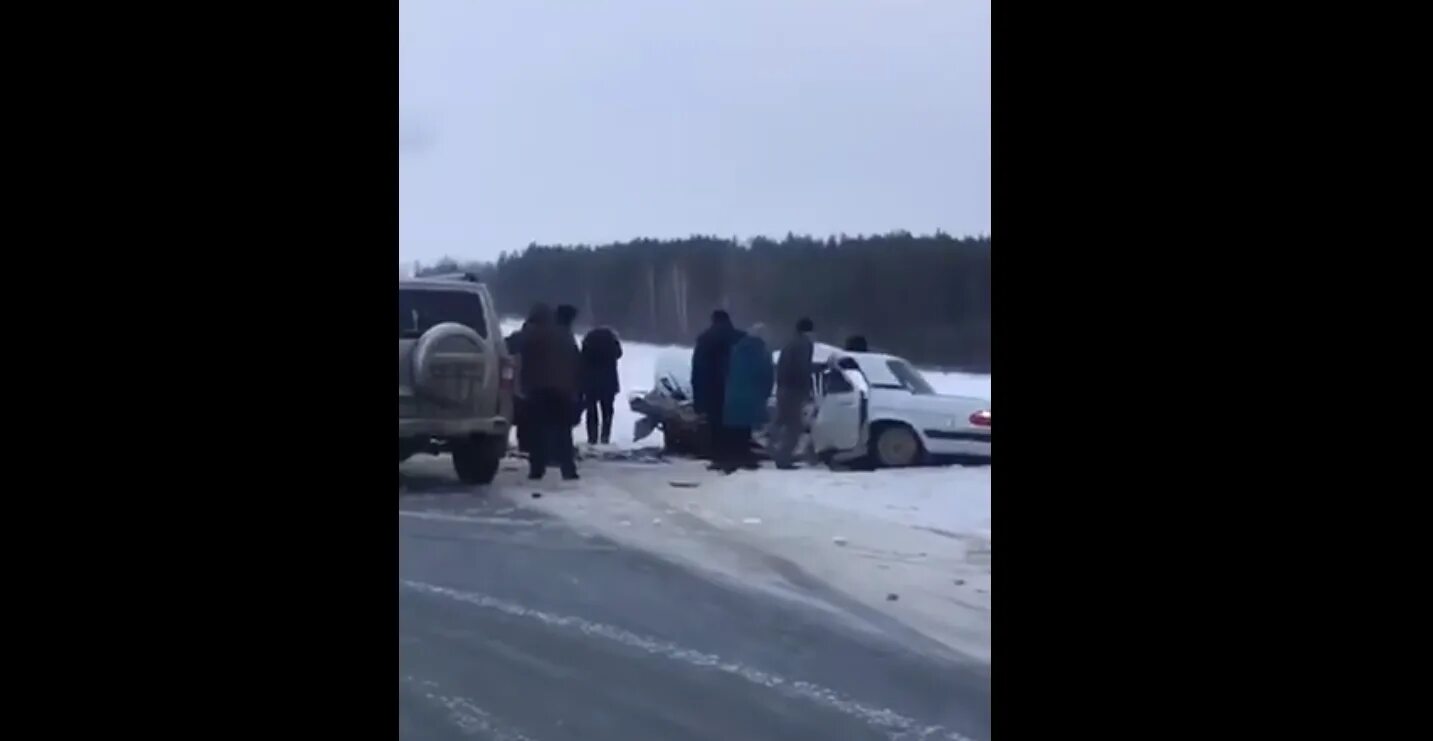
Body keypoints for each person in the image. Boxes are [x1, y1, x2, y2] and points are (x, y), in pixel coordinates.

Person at [519, 303, 581, 481]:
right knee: (563, 431)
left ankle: (537, 469)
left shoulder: (534, 335)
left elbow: (521, 353)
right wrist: (575, 387)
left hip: (539, 388)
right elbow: (576, 360)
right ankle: (568, 469)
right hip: (563, 389)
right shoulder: (565, 334)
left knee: (537, 431)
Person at [690, 309, 744, 469]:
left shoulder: (705, 339)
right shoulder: (741, 338)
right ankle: (738, 455)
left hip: (712, 387)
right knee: (736, 423)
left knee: (716, 424)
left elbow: (698, 369)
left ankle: (720, 457)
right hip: (736, 387)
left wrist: (698, 399)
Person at [721, 324, 775, 472]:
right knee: (745, 428)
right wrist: (765, 394)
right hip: (752, 396)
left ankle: (732, 457)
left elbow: (728, 370)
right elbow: (767, 375)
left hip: (733, 394)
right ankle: (743, 456)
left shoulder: (736, 349)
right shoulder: (763, 353)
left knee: (735, 429)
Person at [773, 317, 816, 469]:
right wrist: (808, 388)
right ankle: (783, 458)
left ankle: (773, 450)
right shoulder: (804, 345)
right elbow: (802, 368)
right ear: (809, 331)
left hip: (783, 388)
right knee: (794, 426)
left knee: (782, 422)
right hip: (794, 390)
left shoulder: (790, 343)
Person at [580, 325, 623, 445]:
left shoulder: (589, 340)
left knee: (591, 411)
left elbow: (582, 358)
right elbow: (619, 354)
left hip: (591, 382)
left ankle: (592, 438)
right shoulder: (612, 341)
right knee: (607, 411)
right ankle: (605, 437)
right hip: (608, 382)